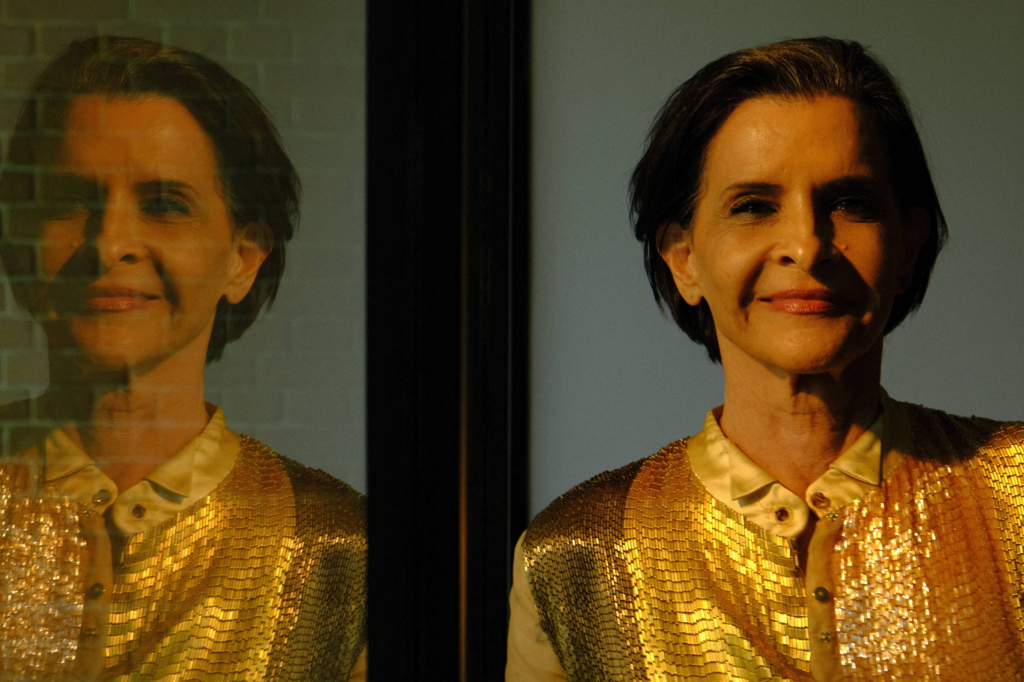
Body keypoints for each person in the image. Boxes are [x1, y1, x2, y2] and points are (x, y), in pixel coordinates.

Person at [506, 37, 1023, 681]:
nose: (807, 245)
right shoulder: (575, 553)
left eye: (850, 202)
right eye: (753, 206)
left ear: (908, 248)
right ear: (684, 259)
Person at [0, 37, 366, 681]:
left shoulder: (342, 548)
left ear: (242, 259)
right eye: (69, 200)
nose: (109, 243)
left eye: (164, 205)